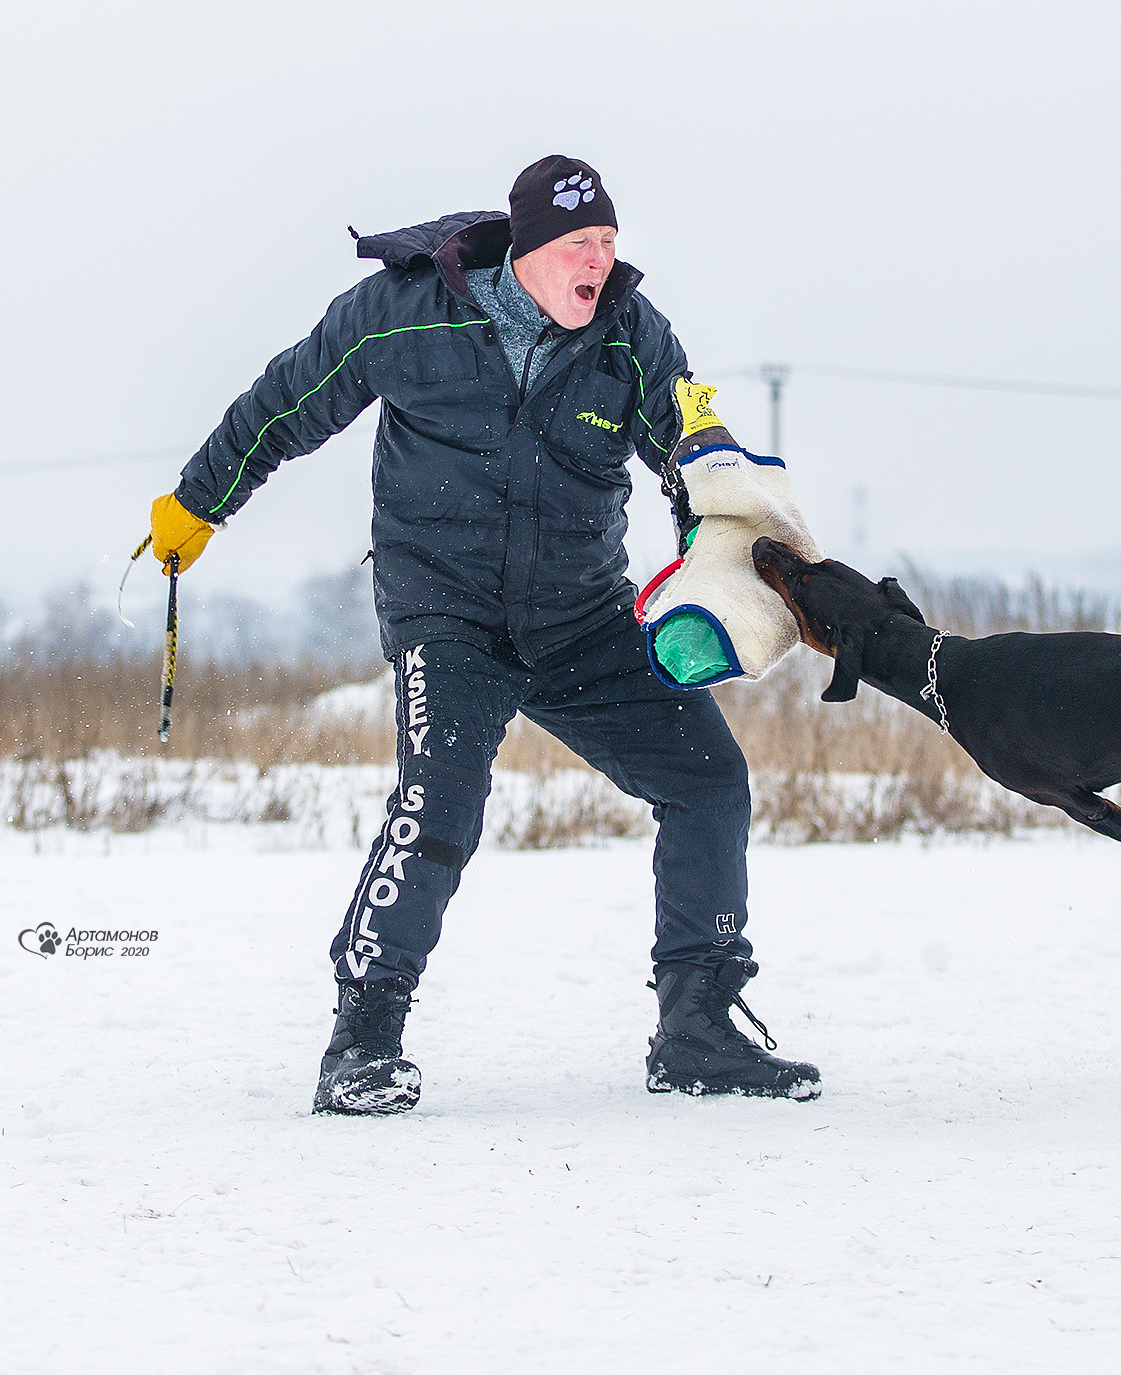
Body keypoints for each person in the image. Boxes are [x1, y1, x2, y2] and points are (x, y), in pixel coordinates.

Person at [146, 155, 820, 1113]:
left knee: (708, 779)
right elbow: (287, 402)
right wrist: (197, 505)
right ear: (532, 251)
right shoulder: (403, 313)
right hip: (446, 612)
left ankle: (697, 1023)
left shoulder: (630, 336)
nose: (600, 263)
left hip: (582, 618)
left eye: (610, 245)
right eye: (581, 246)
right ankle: (365, 1036)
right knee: (440, 803)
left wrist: (734, 569)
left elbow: (694, 464)